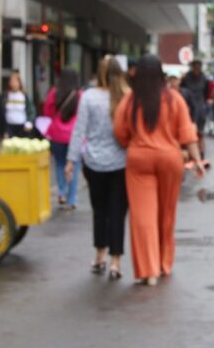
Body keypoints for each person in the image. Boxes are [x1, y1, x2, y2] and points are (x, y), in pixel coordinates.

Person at [113, 54, 205, 287]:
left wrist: (134, 142)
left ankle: (148, 270)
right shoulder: (174, 99)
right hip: (169, 159)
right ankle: (164, 263)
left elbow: (120, 133)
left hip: (139, 160)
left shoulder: (131, 100)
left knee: (143, 216)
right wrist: (198, 161)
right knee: (166, 214)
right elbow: (187, 134)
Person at [66, 55, 130, 280]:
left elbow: (79, 130)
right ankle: (116, 262)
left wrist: (70, 160)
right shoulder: (126, 96)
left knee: (100, 211)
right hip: (122, 163)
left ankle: (100, 254)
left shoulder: (89, 97)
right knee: (118, 213)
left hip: (93, 163)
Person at [44, 69, 82, 209]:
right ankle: (71, 199)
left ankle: (61, 193)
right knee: (74, 167)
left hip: (57, 136)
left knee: (59, 164)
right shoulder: (80, 95)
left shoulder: (54, 92)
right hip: (74, 136)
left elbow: (47, 111)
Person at [180, 60, 209, 157]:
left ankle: (201, 153)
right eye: (195, 67)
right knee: (190, 130)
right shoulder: (186, 78)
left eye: (198, 67)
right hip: (189, 106)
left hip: (200, 106)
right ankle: (191, 153)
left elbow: (206, 92)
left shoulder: (204, 78)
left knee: (200, 132)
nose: (196, 69)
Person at [3, 71, 36, 138]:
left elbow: (31, 111)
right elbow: (2, 111)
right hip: (9, 127)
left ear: (19, 83)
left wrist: (29, 122)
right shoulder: (5, 96)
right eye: (12, 81)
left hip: (22, 127)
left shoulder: (24, 96)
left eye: (15, 81)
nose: (13, 83)